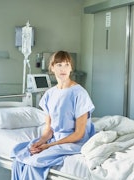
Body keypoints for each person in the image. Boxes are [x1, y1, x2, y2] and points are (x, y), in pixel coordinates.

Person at [11, 50, 95, 180]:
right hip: (54, 140)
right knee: (20, 158)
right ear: (52, 68)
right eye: (59, 65)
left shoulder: (79, 93)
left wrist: (49, 146)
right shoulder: (49, 94)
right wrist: (40, 143)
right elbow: (49, 130)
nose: (63, 69)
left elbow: (79, 134)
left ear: (71, 68)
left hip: (74, 142)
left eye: (67, 64)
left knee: (33, 164)